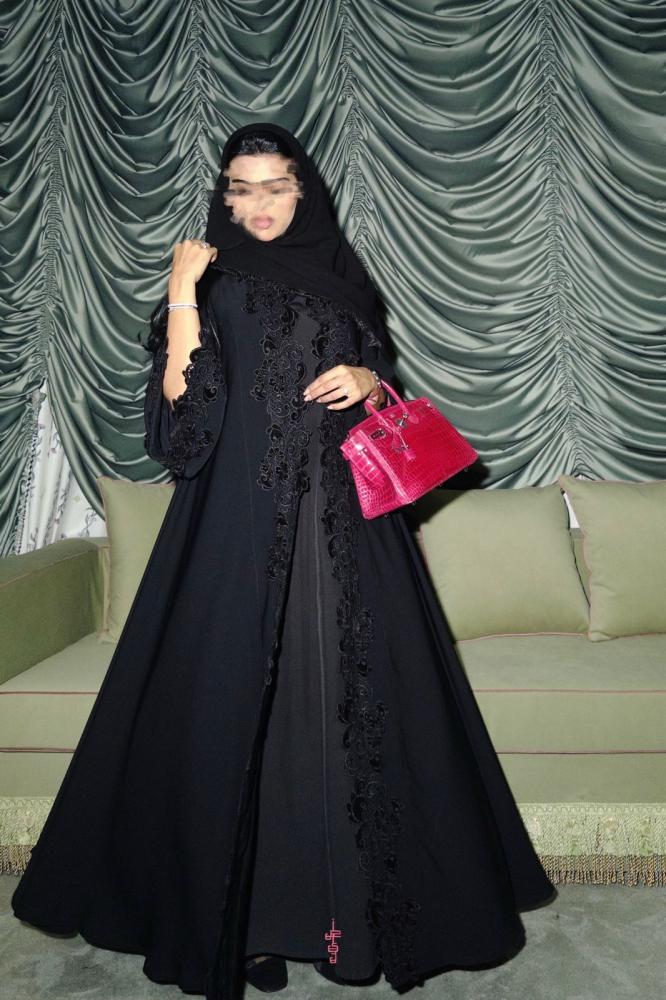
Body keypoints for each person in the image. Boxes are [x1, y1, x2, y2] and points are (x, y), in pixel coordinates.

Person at [11, 122, 556, 1000]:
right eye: (241, 187)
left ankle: (349, 924)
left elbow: (376, 380)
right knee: (234, 720)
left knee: (350, 710)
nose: (258, 204)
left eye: (276, 186)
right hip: (232, 525)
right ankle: (248, 930)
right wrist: (181, 292)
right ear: (223, 196)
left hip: (344, 526)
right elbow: (181, 429)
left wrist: (371, 382)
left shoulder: (343, 274)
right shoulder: (210, 275)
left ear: (305, 191)